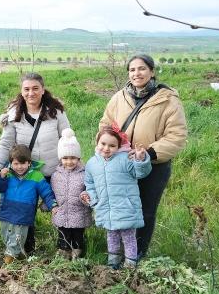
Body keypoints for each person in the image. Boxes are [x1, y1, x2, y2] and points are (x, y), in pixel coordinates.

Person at [99, 54, 187, 258]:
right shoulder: (119, 98)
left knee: (145, 210)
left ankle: (137, 254)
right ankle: (117, 253)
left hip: (154, 167)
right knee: (120, 208)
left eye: (141, 69)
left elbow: (177, 136)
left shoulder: (168, 100)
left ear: (152, 71)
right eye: (132, 70)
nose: (136, 73)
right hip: (121, 165)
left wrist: (147, 153)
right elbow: (105, 124)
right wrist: (108, 144)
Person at [0, 72, 70, 254]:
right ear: (21, 91)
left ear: (43, 90)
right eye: (26, 89)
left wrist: (72, 163)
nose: (31, 93)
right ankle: (27, 249)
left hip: (54, 170)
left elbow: (66, 137)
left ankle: (65, 246)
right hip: (25, 173)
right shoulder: (14, 116)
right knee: (25, 210)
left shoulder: (56, 113)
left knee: (61, 206)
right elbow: (6, 143)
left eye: (35, 88)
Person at [82, 126, 151, 269]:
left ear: (118, 146)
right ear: (97, 143)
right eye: (103, 144)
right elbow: (89, 184)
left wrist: (140, 159)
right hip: (106, 208)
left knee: (129, 236)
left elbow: (140, 173)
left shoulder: (125, 159)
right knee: (111, 236)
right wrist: (94, 200)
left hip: (126, 207)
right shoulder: (92, 163)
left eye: (112, 145)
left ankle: (130, 263)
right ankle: (113, 263)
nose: (106, 148)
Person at [0, 145, 58, 265]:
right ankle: (21, 257)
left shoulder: (36, 176)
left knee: (17, 239)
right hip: (6, 213)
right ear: (11, 163)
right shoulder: (7, 175)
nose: (19, 167)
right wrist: (1, 177)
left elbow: (47, 193)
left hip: (24, 215)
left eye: (23, 164)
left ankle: (9, 262)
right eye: (16, 164)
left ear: (29, 163)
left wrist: (53, 205)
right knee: (7, 237)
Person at [50, 128, 93, 260]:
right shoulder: (56, 175)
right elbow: (51, 192)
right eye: (65, 158)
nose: (69, 161)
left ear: (78, 157)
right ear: (60, 159)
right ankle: (64, 252)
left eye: (73, 158)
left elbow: (90, 188)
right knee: (63, 233)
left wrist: (87, 197)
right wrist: (51, 205)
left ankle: (77, 253)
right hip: (62, 212)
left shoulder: (85, 173)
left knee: (77, 234)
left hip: (79, 212)